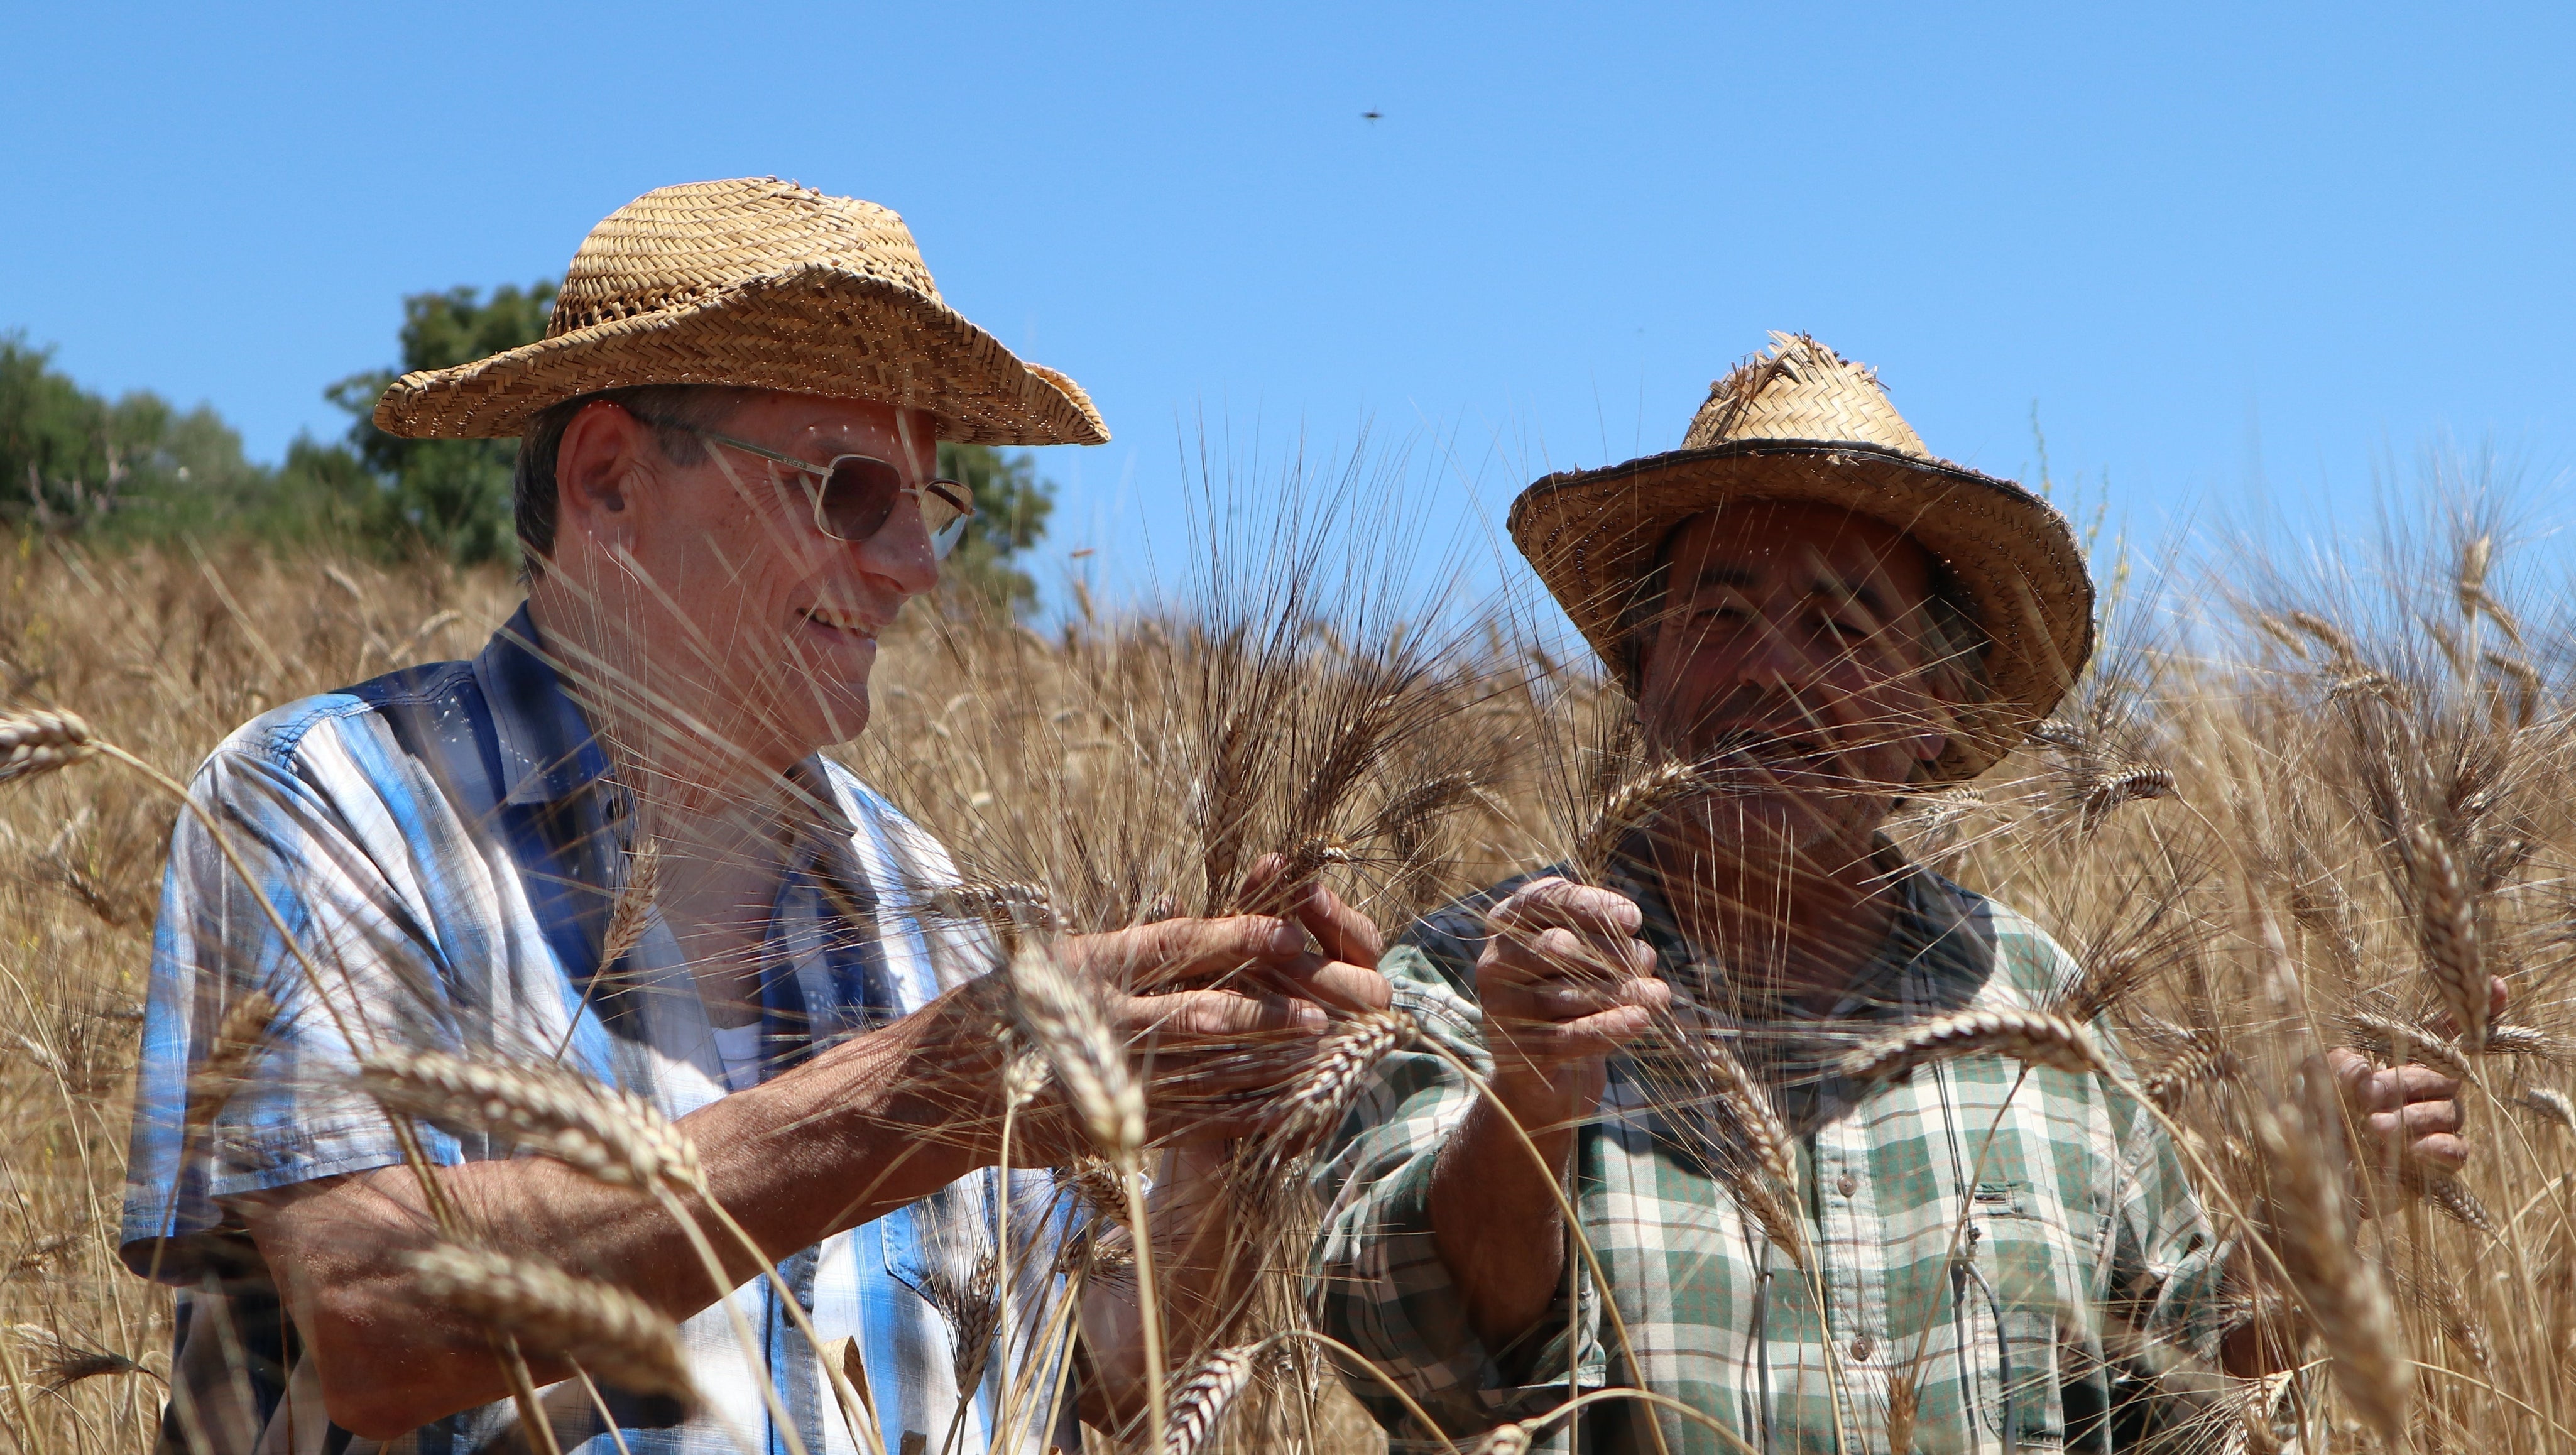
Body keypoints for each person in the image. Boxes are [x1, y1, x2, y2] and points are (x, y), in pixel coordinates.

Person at [119, 177, 1387, 1455]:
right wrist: (916, 1101)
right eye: (847, 490)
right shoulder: (332, 799)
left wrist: (1219, 1149)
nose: (914, 565)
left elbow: (1085, 1388)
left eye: (929, 503)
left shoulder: (925, 896)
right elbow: (370, 1317)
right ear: (610, 479)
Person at [1310, 334, 2497, 1453]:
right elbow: (1408, 1344)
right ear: (1647, 671)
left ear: (1934, 710)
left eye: (1840, 625)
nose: (1771, 666)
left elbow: (2158, 1398)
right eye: (1719, 617)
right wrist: (1531, 1091)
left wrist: (2308, 1220)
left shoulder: (2037, 1002)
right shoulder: (1480, 970)